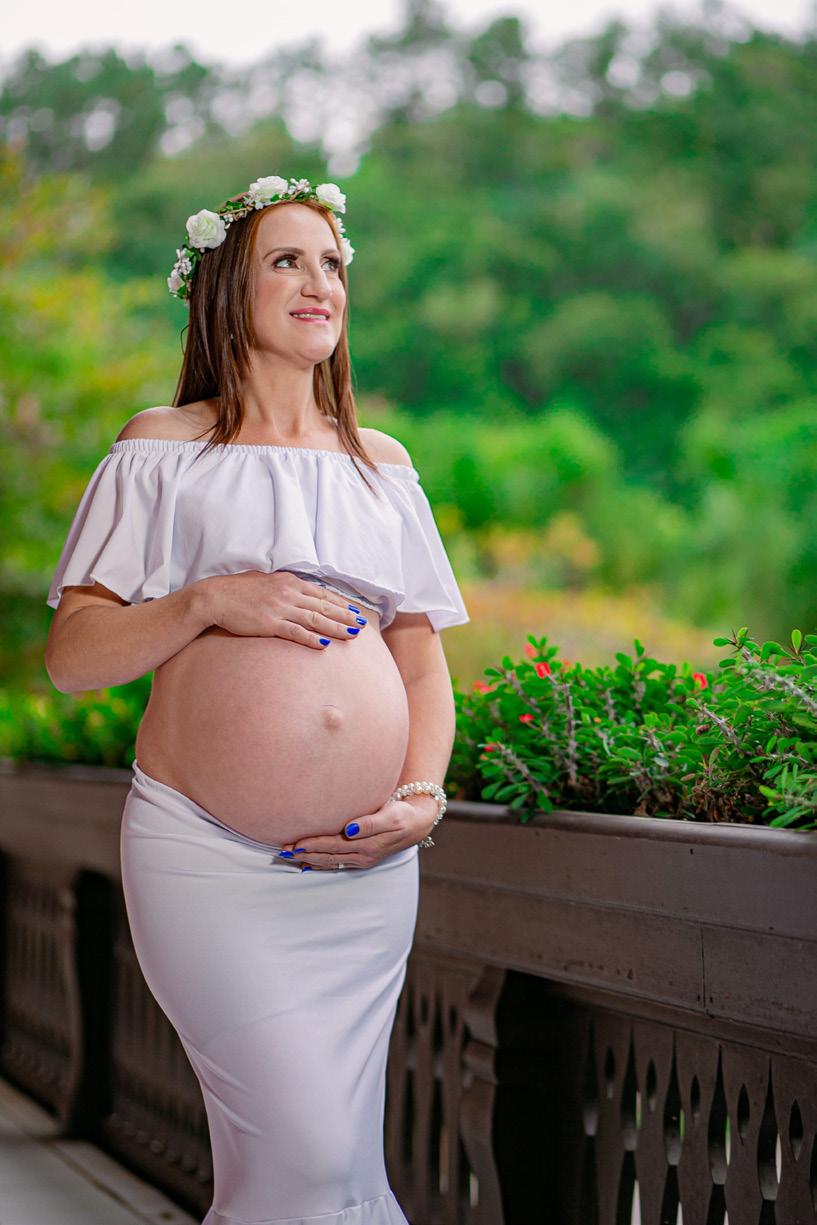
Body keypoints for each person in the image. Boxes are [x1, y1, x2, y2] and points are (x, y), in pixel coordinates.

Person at [43, 174, 470, 1225]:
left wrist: (421, 797)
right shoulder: (163, 447)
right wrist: (209, 600)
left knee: (334, 1177)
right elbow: (74, 657)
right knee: (312, 1160)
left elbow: (421, 666)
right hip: (210, 864)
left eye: (332, 264)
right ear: (225, 289)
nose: (320, 283)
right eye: (287, 261)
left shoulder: (380, 466)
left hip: (365, 876)